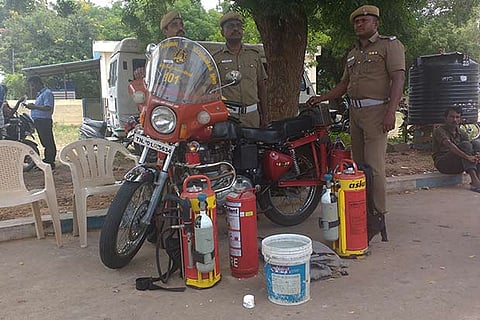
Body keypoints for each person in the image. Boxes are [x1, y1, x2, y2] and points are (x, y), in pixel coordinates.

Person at [307, 5, 405, 216]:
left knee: (375, 166)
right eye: (356, 22)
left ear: (376, 23)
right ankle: (362, 208)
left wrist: (390, 112)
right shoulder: (352, 53)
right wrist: (321, 97)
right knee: (358, 165)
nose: (359, 25)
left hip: (377, 113)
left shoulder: (389, 45)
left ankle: (378, 214)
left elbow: (398, 78)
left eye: (364, 21)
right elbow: (344, 85)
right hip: (356, 114)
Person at [212, 12, 267, 128]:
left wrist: (265, 116)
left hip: (252, 117)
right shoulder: (216, 58)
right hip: (227, 117)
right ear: (222, 32)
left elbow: (261, 86)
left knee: (253, 146)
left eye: (238, 25)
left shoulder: (254, 56)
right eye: (230, 26)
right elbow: (212, 90)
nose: (236, 29)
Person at [432, 106, 480, 192]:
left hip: (459, 164)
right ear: (445, 118)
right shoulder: (439, 130)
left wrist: (476, 155)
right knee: (465, 145)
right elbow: (450, 145)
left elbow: (470, 147)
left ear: (460, 119)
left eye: (457, 117)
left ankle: (478, 177)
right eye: (451, 117)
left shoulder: (461, 132)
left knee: (476, 143)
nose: (454, 120)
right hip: (444, 164)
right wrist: (467, 157)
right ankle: (474, 181)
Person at [26, 75, 57, 169]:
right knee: (44, 141)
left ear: (37, 83)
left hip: (44, 121)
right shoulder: (40, 94)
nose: (32, 88)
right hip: (39, 121)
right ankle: (47, 159)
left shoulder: (47, 93)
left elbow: (48, 107)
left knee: (48, 141)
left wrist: (34, 107)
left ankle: (50, 161)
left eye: (32, 85)